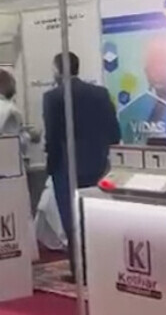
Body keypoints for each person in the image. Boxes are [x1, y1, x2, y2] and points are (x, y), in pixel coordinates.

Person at [43, 52, 120, 281]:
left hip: (66, 166)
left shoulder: (53, 97)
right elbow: (114, 133)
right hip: (97, 163)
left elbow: (52, 136)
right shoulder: (100, 93)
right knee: (94, 216)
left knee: (72, 220)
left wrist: (51, 166)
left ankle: (81, 271)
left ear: (57, 70)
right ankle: (102, 265)